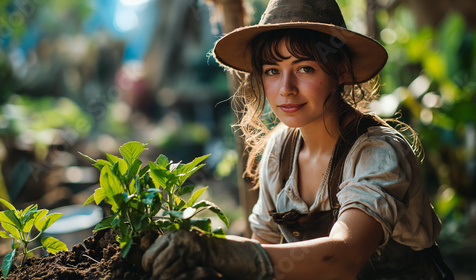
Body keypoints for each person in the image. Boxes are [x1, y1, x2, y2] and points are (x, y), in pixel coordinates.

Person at [141, 0, 454, 279]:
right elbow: (263, 255)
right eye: (272, 71)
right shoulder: (280, 152)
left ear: (341, 70)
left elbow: (343, 258)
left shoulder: (378, 152)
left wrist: (216, 250)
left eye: (305, 68)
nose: (286, 88)